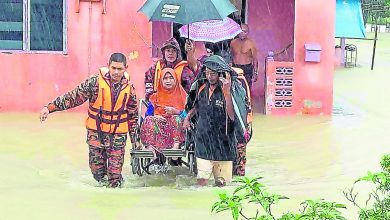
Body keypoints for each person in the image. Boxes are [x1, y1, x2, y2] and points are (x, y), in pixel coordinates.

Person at [39, 53, 138, 188]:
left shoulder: (130, 89)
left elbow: (133, 117)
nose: (116, 72)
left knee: (114, 176)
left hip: (117, 136)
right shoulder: (94, 83)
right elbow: (73, 98)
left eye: (119, 69)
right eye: (113, 68)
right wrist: (49, 108)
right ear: (108, 66)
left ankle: (114, 199)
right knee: (97, 172)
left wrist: (135, 142)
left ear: (126, 68)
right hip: (96, 133)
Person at [183, 55, 236, 187]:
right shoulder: (201, 88)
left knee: (222, 184)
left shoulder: (228, 90)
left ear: (220, 74)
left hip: (223, 144)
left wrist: (227, 93)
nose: (210, 76)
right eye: (207, 73)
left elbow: (232, 116)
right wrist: (188, 117)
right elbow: (196, 106)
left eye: (213, 73)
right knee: (201, 180)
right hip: (203, 141)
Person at [140, 68, 186, 158]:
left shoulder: (183, 96)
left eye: (171, 78)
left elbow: (188, 115)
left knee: (175, 118)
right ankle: (150, 148)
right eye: (165, 78)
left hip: (176, 129)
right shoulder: (154, 97)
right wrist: (156, 116)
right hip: (159, 128)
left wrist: (176, 112)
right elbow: (147, 115)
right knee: (148, 119)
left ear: (175, 79)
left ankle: (175, 147)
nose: (168, 81)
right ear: (161, 80)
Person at [230, 23, 259, 90]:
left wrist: (255, 72)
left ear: (248, 33)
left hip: (247, 68)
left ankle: (246, 100)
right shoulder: (233, 42)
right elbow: (231, 55)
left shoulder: (251, 43)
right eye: (240, 31)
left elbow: (255, 59)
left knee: (246, 87)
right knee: (235, 87)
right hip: (236, 67)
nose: (242, 33)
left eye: (245, 31)